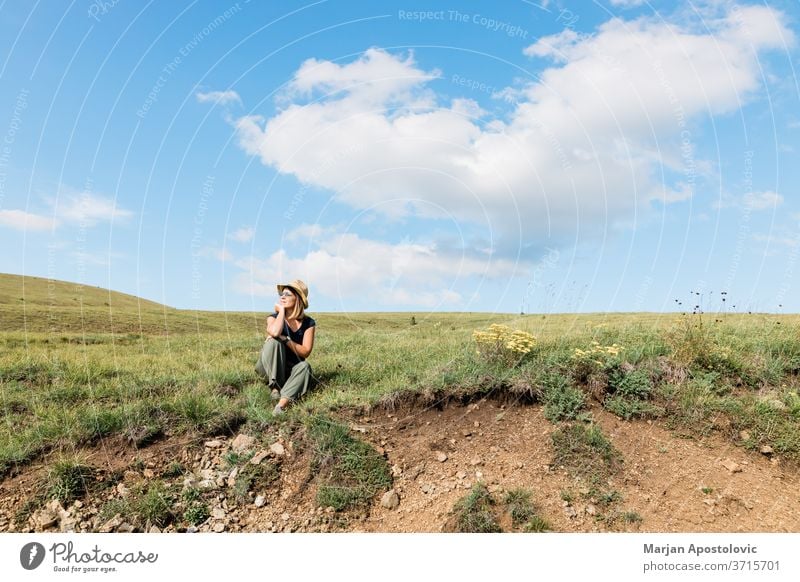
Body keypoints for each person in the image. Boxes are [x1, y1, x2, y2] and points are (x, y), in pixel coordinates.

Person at [255, 279, 316, 415]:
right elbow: (275, 332)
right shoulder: (273, 318)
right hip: (268, 368)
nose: (282, 296)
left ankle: (281, 406)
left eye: (288, 294)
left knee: (305, 367)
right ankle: (274, 388)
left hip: (290, 371)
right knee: (274, 341)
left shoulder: (308, 323)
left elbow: (305, 352)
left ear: (298, 298)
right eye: (282, 294)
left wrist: (286, 339)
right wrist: (281, 312)